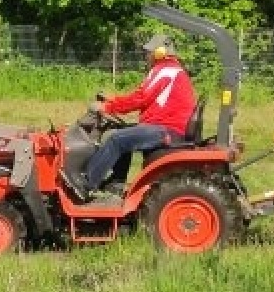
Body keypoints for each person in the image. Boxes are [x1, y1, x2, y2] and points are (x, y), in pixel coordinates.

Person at [80, 33, 197, 201]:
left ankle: (85, 184)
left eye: (148, 52)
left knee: (116, 139)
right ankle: (116, 184)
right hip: (164, 125)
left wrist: (107, 107)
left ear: (160, 53)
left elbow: (141, 99)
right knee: (122, 133)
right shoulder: (168, 70)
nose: (146, 56)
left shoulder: (167, 71)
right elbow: (141, 95)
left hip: (167, 130)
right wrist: (113, 100)